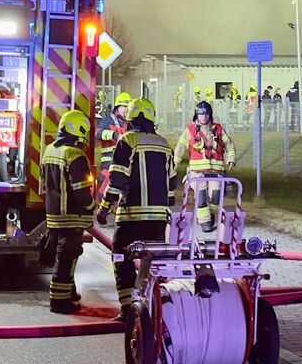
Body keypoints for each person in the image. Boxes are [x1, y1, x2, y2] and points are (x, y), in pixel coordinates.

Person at [96, 98, 178, 321]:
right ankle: (154, 307)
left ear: (131, 119)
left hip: (131, 216)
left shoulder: (127, 141)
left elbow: (117, 179)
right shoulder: (164, 144)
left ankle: (127, 307)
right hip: (158, 220)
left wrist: (104, 208)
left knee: (121, 257)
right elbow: (172, 184)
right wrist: (165, 208)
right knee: (154, 263)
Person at [38, 110, 95, 314]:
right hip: (72, 215)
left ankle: (69, 293)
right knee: (67, 259)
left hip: (54, 215)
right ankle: (60, 303)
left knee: (64, 257)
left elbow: (44, 184)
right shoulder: (75, 154)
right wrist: (91, 207)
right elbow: (80, 189)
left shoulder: (50, 150)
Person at [174, 101, 236, 232]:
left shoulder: (218, 130)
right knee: (201, 197)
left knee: (215, 197)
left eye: (206, 114)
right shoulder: (190, 130)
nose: (203, 116)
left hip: (215, 172)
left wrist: (231, 159)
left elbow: (229, 144)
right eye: (201, 114)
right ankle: (205, 222)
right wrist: (173, 165)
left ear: (210, 115)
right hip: (197, 173)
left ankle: (211, 215)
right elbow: (180, 148)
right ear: (196, 115)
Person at [95, 92, 131, 200]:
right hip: (107, 167)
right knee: (103, 196)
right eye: (124, 107)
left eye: (128, 107)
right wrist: (114, 135)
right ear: (117, 108)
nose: (126, 110)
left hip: (124, 167)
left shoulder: (128, 124)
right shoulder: (107, 121)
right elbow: (97, 133)